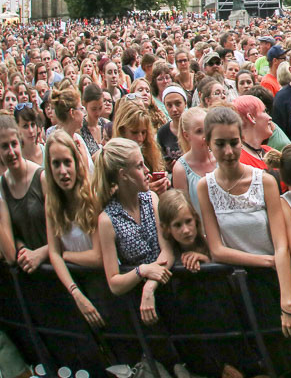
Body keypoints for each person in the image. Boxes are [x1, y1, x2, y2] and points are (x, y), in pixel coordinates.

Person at [197, 107, 291, 337]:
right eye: (220, 144)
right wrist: (264, 261)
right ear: (208, 143)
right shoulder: (205, 187)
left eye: (234, 142)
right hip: (239, 287)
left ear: (242, 140)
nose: (229, 151)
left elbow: (281, 243)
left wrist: (287, 303)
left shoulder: (264, 181)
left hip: (278, 281)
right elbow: (217, 249)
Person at [94, 138, 172, 325]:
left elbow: (167, 250)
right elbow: (114, 282)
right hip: (136, 309)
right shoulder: (107, 220)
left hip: (166, 290)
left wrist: (150, 287)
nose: (147, 171)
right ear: (123, 175)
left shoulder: (151, 199)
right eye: (139, 166)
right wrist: (142, 271)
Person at [43, 131, 103, 327]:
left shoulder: (91, 197)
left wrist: (65, 255)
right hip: (76, 286)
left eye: (67, 162)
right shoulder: (51, 203)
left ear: (76, 162)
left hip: (101, 286)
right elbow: (53, 252)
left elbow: (97, 257)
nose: (63, 171)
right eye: (56, 164)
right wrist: (75, 292)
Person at [1, 115, 48, 273]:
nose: (11, 151)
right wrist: (21, 247)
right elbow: (10, 252)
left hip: (55, 268)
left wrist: (40, 254)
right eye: (4, 146)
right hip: (28, 273)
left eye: (14, 144)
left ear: (20, 143)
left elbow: (64, 233)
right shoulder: (3, 186)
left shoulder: (41, 178)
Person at [171, 107, 213, 218]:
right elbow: (185, 211)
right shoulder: (181, 169)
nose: (205, 135)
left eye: (207, 129)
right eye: (199, 131)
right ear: (186, 135)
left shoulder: (220, 157)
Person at [158, 189, 210, 273]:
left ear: (195, 218)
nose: (185, 230)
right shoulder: (167, 255)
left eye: (188, 221)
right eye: (177, 225)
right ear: (166, 228)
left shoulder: (211, 246)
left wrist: (207, 261)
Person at [156, 86, 188, 173]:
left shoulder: (195, 127)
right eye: (169, 105)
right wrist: (167, 167)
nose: (174, 109)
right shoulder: (162, 132)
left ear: (185, 103)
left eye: (178, 104)